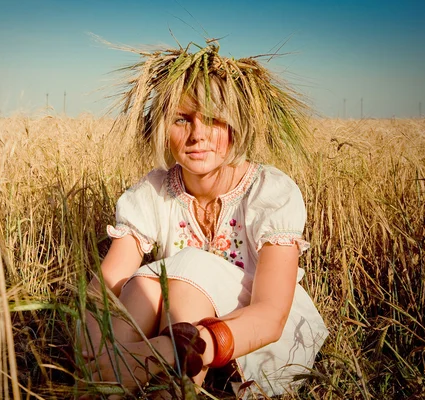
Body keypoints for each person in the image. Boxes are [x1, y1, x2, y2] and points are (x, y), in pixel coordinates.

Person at [80, 43, 328, 398]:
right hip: (179, 330)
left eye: (213, 119)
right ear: (164, 128)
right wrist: (91, 344)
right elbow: (104, 288)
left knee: (183, 273)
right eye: (182, 119)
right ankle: (113, 379)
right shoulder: (154, 191)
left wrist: (174, 348)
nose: (198, 135)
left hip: (253, 339)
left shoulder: (268, 192)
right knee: (143, 287)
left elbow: (271, 316)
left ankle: (170, 377)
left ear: (235, 127)